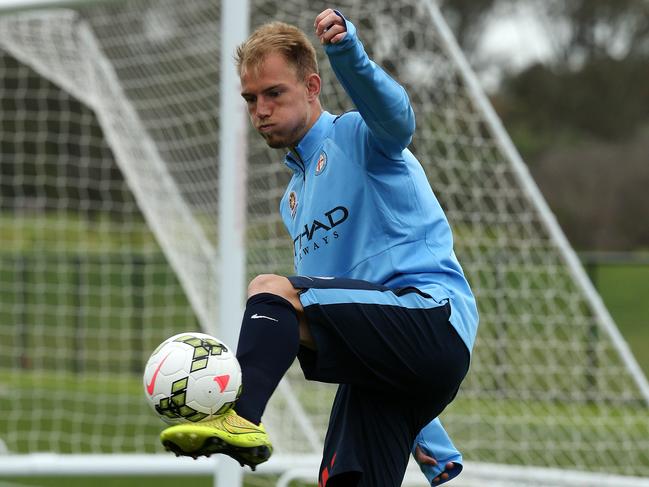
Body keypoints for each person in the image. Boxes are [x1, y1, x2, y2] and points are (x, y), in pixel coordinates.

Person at [160, 8, 478, 487]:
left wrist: (346, 52)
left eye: (273, 93)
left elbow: (398, 119)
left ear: (312, 88)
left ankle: (240, 413)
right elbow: (351, 313)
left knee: (273, 291)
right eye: (250, 99)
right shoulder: (293, 201)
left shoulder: (357, 136)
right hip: (388, 372)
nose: (260, 110)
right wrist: (426, 435)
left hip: (433, 315)